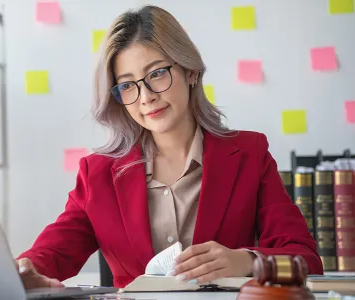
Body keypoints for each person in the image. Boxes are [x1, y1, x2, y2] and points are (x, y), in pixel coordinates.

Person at [16, 5, 323, 289]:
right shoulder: (98, 173)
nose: (146, 96)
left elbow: (306, 260)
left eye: (157, 73)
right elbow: (51, 254)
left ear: (190, 71)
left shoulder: (249, 154)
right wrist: (22, 271)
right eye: (127, 85)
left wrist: (246, 261)